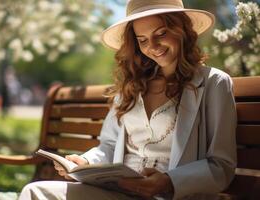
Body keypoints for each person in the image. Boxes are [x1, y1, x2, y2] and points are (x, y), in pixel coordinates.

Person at [19, 0, 237, 199]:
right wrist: (85, 162)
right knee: (36, 192)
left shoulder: (214, 83)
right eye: (142, 40)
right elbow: (109, 145)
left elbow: (221, 165)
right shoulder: (131, 87)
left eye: (161, 33)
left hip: (172, 196)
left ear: (182, 29)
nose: (152, 45)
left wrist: (168, 181)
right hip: (119, 192)